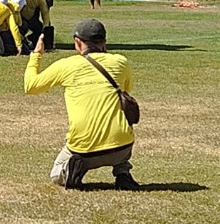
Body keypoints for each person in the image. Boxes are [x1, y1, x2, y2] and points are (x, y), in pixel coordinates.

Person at [24, 17, 139, 191]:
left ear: (77, 43)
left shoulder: (66, 65)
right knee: (118, 119)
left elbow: (30, 86)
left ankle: (71, 169)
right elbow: (126, 92)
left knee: (55, 174)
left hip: (84, 149)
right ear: (104, 42)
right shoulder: (121, 62)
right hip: (121, 147)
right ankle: (123, 173)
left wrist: (36, 55)